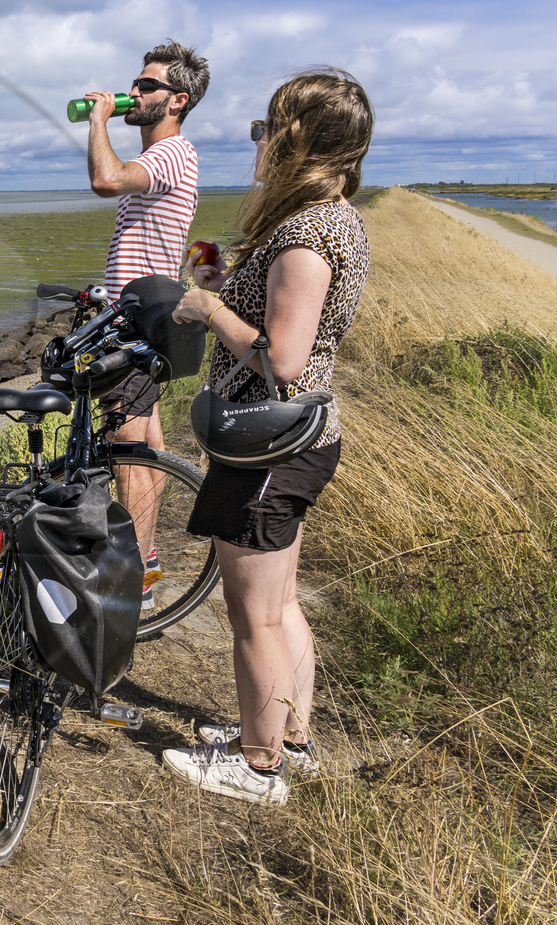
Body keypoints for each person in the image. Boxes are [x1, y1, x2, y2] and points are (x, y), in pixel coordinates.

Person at [161, 69, 374, 805]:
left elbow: (283, 359)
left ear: (297, 141)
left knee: (252, 613)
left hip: (267, 442)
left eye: (265, 129)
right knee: (280, 605)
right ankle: (293, 739)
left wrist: (205, 308)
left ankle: (256, 766)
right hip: (296, 438)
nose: (257, 143)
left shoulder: (310, 234)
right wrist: (227, 285)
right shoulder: (331, 218)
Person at [82, 41, 209, 606]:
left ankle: (128, 583)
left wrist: (99, 120)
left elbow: (106, 180)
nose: (135, 92)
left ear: (177, 100)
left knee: (127, 449)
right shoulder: (171, 160)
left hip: (134, 323)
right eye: (135, 83)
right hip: (139, 314)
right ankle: (147, 563)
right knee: (146, 447)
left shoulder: (171, 152)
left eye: (147, 87)